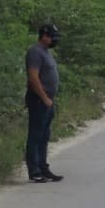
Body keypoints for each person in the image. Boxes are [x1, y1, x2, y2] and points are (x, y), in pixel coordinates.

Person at [25, 23, 62, 183]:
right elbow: (34, 78)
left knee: (44, 135)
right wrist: (44, 98)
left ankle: (43, 167)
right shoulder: (35, 53)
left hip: (48, 100)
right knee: (36, 135)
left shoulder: (46, 52)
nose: (54, 40)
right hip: (39, 100)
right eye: (52, 37)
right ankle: (34, 171)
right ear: (44, 36)